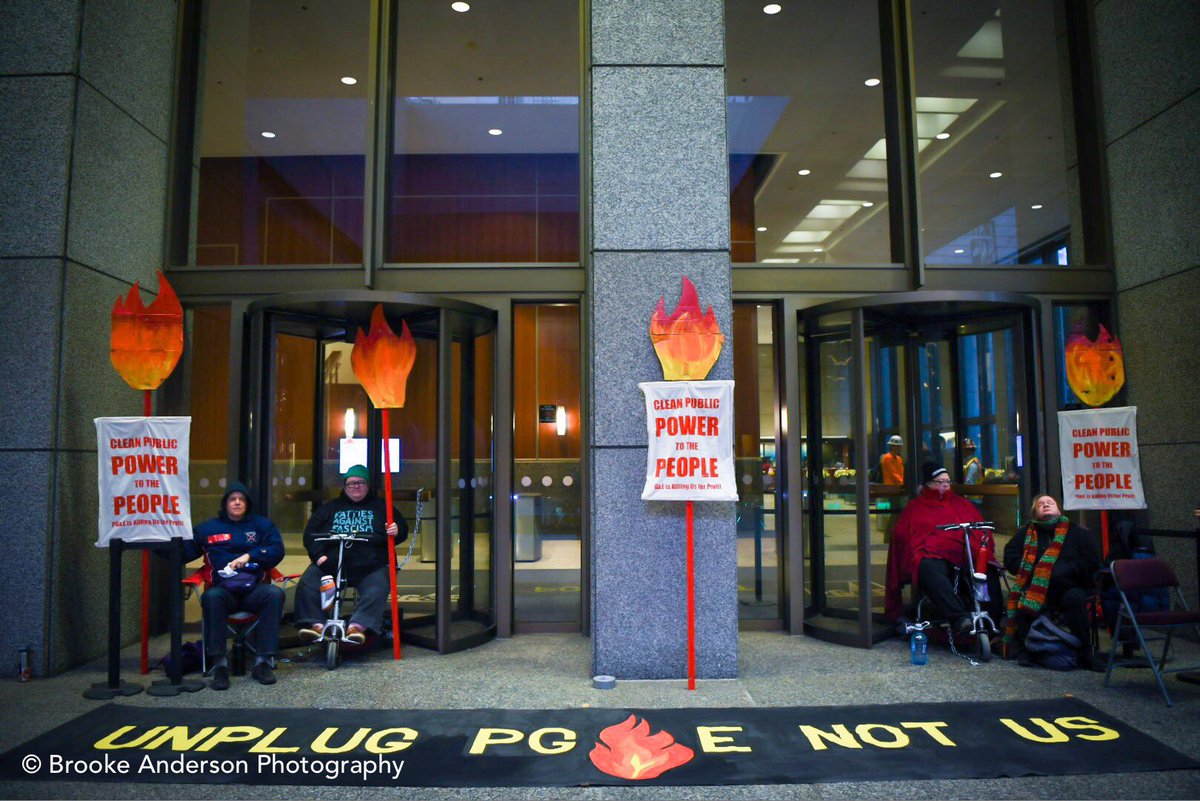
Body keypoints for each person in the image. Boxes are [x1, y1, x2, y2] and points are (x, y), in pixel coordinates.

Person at [186, 482, 285, 690]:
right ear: (226, 503)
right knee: (211, 598)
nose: (237, 503)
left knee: (274, 594)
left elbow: (277, 550)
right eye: (233, 499)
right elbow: (184, 551)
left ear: (247, 503)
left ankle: (263, 662)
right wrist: (159, 544)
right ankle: (219, 665)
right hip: (223, 591)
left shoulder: (262, 526)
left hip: (253, 590)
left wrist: (251, 555)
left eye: (241, 499)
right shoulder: (208, 529)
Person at [295, 464, 408, 645]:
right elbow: (310, 534)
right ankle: (315, 626)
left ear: (368, 486)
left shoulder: (382, 507)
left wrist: (396, 530)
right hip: (331, 564)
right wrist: (318, 557)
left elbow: (401, 530)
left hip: (371, 566)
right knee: (308, 582)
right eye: (352, 483)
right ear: (345, 486)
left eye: (361, 483)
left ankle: (357, 627)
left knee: (377, 587)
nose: (356, 487)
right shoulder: (329, 508)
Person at [1002, 494, 1102, 670]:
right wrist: (1033, 571)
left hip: (1068, 585)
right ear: (1034, 512)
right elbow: (1010, 557)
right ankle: (1027, 650)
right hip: (1035, 586)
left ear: (1058, 509)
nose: (1046, 505)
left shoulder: (1077, 532)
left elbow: (1091, 561)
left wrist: (1063, 571)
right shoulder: (1025, 533)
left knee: (1075, 599)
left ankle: (1085, 652)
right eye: (1041, 504)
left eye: (1050, 503)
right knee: (1023, 600)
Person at [884, 462, 984, 629]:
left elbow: (980, 531)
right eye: (940, 481)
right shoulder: (915, 507)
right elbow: (902, 536)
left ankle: (990, 626)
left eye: (947, 481)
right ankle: (960, 618)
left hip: (963, 554)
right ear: (928, 484)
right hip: (932, 556)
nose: (945, 484)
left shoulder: (962, 504)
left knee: (988, 569)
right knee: (928, 569)